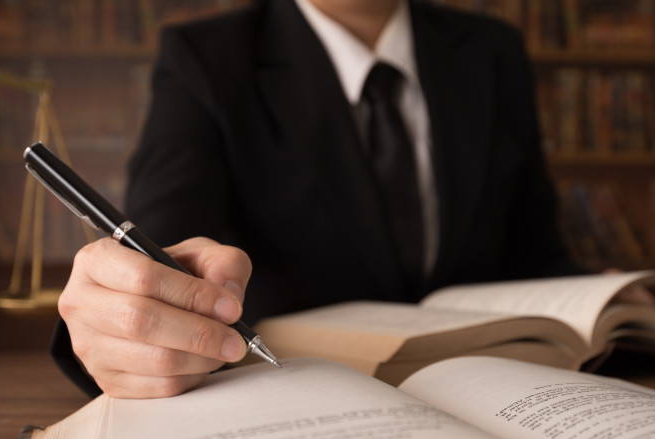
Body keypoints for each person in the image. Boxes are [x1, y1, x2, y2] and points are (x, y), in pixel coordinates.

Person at [52, 0, 584, 399]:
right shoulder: (205, 61)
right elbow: (161, 255)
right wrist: (125, 314)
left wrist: (598, 303)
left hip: (498, 395)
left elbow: (533, 254)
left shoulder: (493, 52)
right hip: (290, 406)